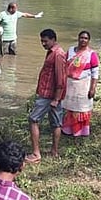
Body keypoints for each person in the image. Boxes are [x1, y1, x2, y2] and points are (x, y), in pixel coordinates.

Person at [55, 30, 99, 157]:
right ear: (78, 39)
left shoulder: (92, 54)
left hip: (84, 84)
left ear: (88, 40)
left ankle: (80, 132)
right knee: (69, 108)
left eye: (85, 38)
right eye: (81, 38)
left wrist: (93, 88)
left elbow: (95, 73)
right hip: (70, 84)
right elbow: (64, 66)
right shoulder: (70, 51)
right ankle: (67, 130)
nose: (83, 40)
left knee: (81, 109)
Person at [27, 28, 66, 163]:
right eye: (41, 41)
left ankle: (36, 153)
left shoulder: (58, 54)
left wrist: (56, 98)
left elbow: (61, 78)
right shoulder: (52, 53)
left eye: (45, 41)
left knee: (33, 119)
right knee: (56, 123)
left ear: (53, 40)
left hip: (49, 95)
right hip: (50, 94)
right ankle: (54, 152)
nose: (43, 44)